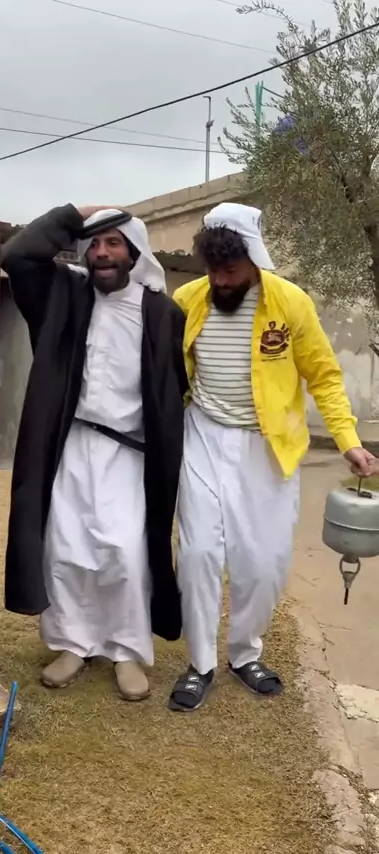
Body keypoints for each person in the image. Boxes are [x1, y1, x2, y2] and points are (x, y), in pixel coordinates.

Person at [168, 202, 376, 712]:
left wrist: (348, 440)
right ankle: (200, 663)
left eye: (230, 270)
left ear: (254, 261)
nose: (220, 280)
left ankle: (244, 653)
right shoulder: (187, 300)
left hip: (269, 446)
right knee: (197, 555)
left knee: (263, 563)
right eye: (213, 270)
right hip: (202, 436)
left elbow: (323, 376)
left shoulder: (290, 303)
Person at [1, 204, 188, 702]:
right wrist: (74, 214)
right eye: (94, 244)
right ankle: (72, 644)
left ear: (135, 253)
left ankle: (126, 651)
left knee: (124, 552)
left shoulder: (161, 313)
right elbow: (17, 256)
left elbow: (174, 388)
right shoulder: (64, 294)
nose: (102, 253)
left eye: (113, 243)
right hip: (72, 444)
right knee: (66, 548)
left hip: (129, 453)